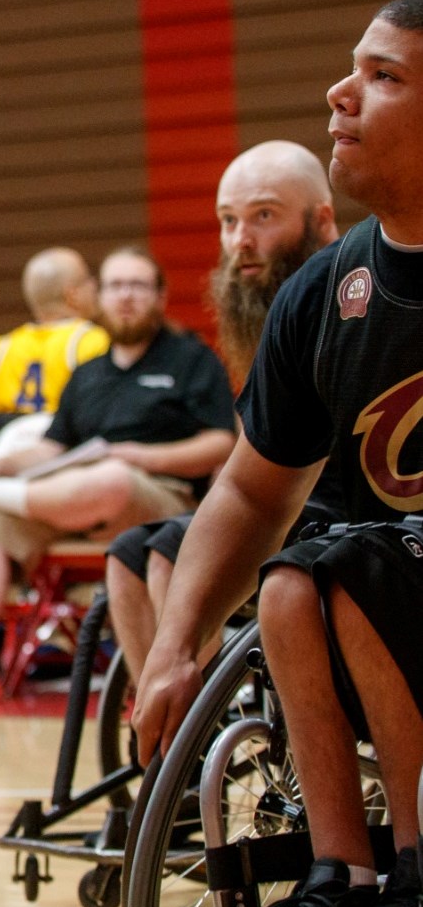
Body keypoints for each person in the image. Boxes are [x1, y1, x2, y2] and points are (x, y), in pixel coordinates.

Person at [132, 0, 423, 907]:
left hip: (392, 591)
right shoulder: (323, 293)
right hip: (380, 604)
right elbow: (248, 495)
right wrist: (172, 646)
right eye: (351, 68)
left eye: (382, 76)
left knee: (341, 565)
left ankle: (416, 879)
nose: (338, 94)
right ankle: (336, 878)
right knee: (293, 578)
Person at [0, 247, 237, 706]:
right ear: (98, 296)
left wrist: (145, 455)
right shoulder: (88, 373)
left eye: (138, 286)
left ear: (160, 297)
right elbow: (53, 447)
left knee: (113, 477)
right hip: (75, 495)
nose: (126, 297)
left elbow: (221, 442)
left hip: (161, 495)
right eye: (116, 286)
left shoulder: (191, 359)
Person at [104, 142, 340, 681]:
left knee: (171, 550)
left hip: (335, 509)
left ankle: (195, 730)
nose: (240, 241)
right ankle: (169, 741)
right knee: (125, 555)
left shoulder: (339, 297)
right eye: (228, 221)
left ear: (322, 220)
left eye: (262, 216)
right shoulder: (262, 309)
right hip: (286, 499)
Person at [0, 248, 106, 476]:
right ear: (72, 295)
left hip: (6, 474)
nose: (95, 286)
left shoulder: (1, 348)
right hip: (64, 472)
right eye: (89, 280)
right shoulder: (94, 342)